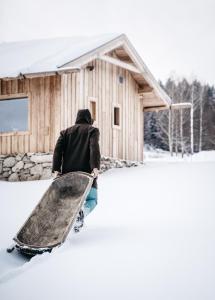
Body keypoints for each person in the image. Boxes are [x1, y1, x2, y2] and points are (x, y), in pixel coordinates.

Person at [52, 109, 101, 232]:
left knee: (70, 201)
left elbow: (57, 151)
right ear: (89, 119)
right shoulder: (92, 130)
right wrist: (95, 167)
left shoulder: (65, 133)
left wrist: (56, 169)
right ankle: (81, 215)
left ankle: (72, 222)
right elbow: (94, 147)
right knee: (92, 200)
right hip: (86, 175)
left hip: (68, 176)